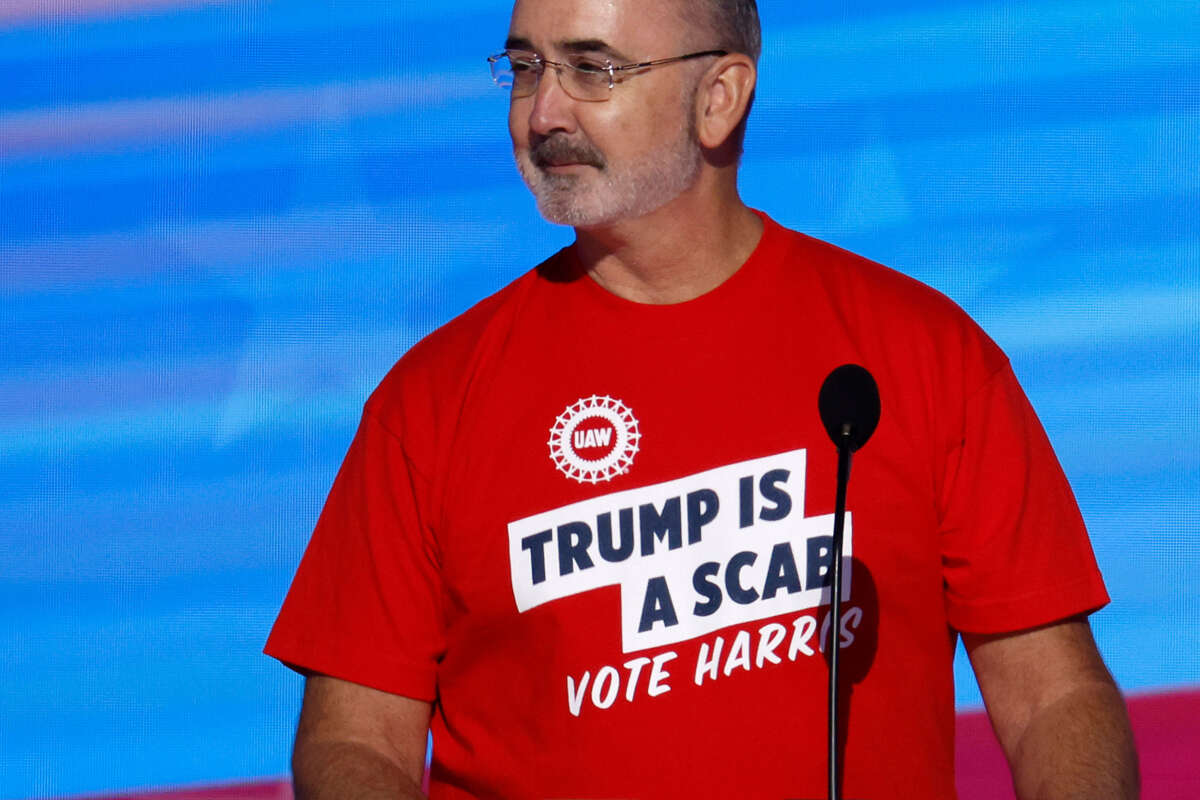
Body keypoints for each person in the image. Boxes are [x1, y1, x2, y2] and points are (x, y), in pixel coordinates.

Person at [265, 0, 1139, 797]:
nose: (543, 114)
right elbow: (359, 739)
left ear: (720, 96)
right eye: (526, 68)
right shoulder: (432, 400)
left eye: (593, 69)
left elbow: (1054, 697)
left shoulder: (922, 353)